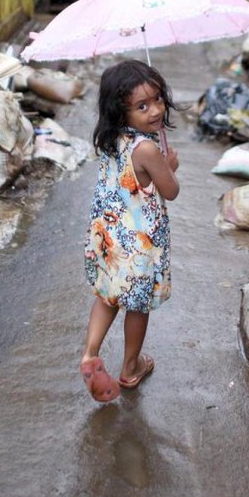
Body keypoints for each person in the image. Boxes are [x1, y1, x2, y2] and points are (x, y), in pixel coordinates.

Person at [80, 60, 180, 402]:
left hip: (109, 237)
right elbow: (170, 190)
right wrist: (169, 166)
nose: (155, 110)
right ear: (121, 111)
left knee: (107, 297)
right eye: (142, 106)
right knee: (138, 305)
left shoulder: (113, 139)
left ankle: (90, 354)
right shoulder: (147, 148)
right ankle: (130, 367)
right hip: (138, 244)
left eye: (157, 99)